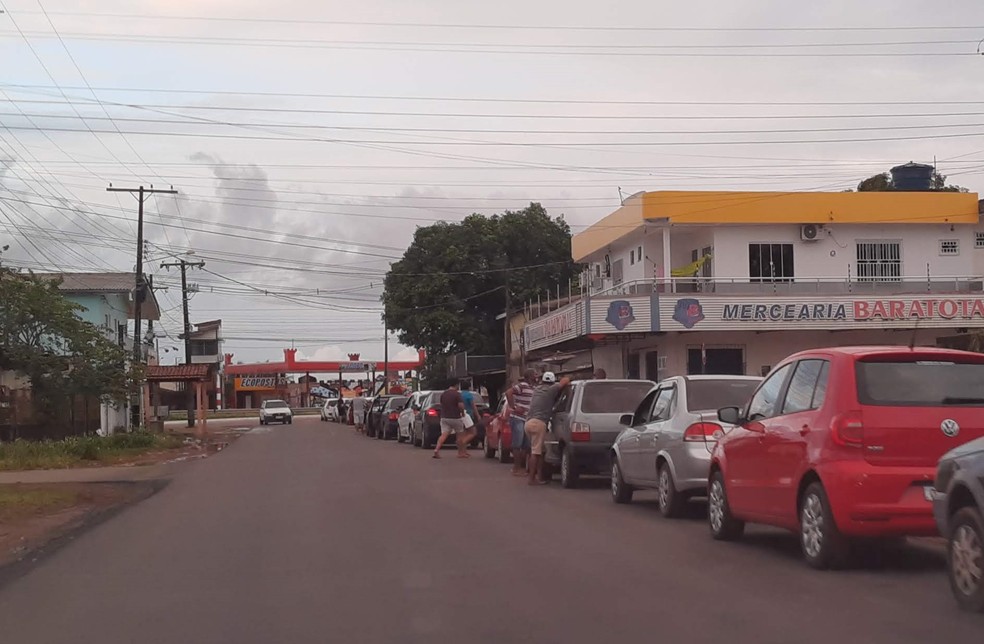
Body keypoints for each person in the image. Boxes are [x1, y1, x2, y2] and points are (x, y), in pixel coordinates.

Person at [525, 371, 572, 486]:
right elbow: (565, 380)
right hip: (539, 423)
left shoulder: (537, 389)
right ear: (551, 382)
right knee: (535, 452)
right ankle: (531, 479)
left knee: (540, 451)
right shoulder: (552, 389)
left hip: (528, 423)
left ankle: (540, 477)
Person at [505, 369, 536, 476]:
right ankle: (516, 468)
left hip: (527, 419)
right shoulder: (522, 385)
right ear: (530, 376)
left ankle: (521, 467)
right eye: (535, 374)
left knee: (526, 445)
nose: (537, 376)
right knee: (517, 444)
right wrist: (513, 406)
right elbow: (508, 392)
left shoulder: (534, 388)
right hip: (517, 417)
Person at [433, 380, 467, 459]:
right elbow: (461, 405)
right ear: (456, 385)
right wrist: (462, 413)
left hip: (444, 417)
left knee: (444, 434)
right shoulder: (457, 394)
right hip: (455, 417)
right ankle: (460, 453)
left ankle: (436, 449)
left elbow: (442, 404)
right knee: (459, 435)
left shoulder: (444, 394)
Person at [458, 380, 482, 454]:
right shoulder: (468, 395)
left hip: (459, 415)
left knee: (464, 433)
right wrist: (478, 415)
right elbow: (473, 406)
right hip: (468, 415)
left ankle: (462, 451)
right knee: (473, 432)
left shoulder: (459, 394)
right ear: (468, 387)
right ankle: (463, 443)